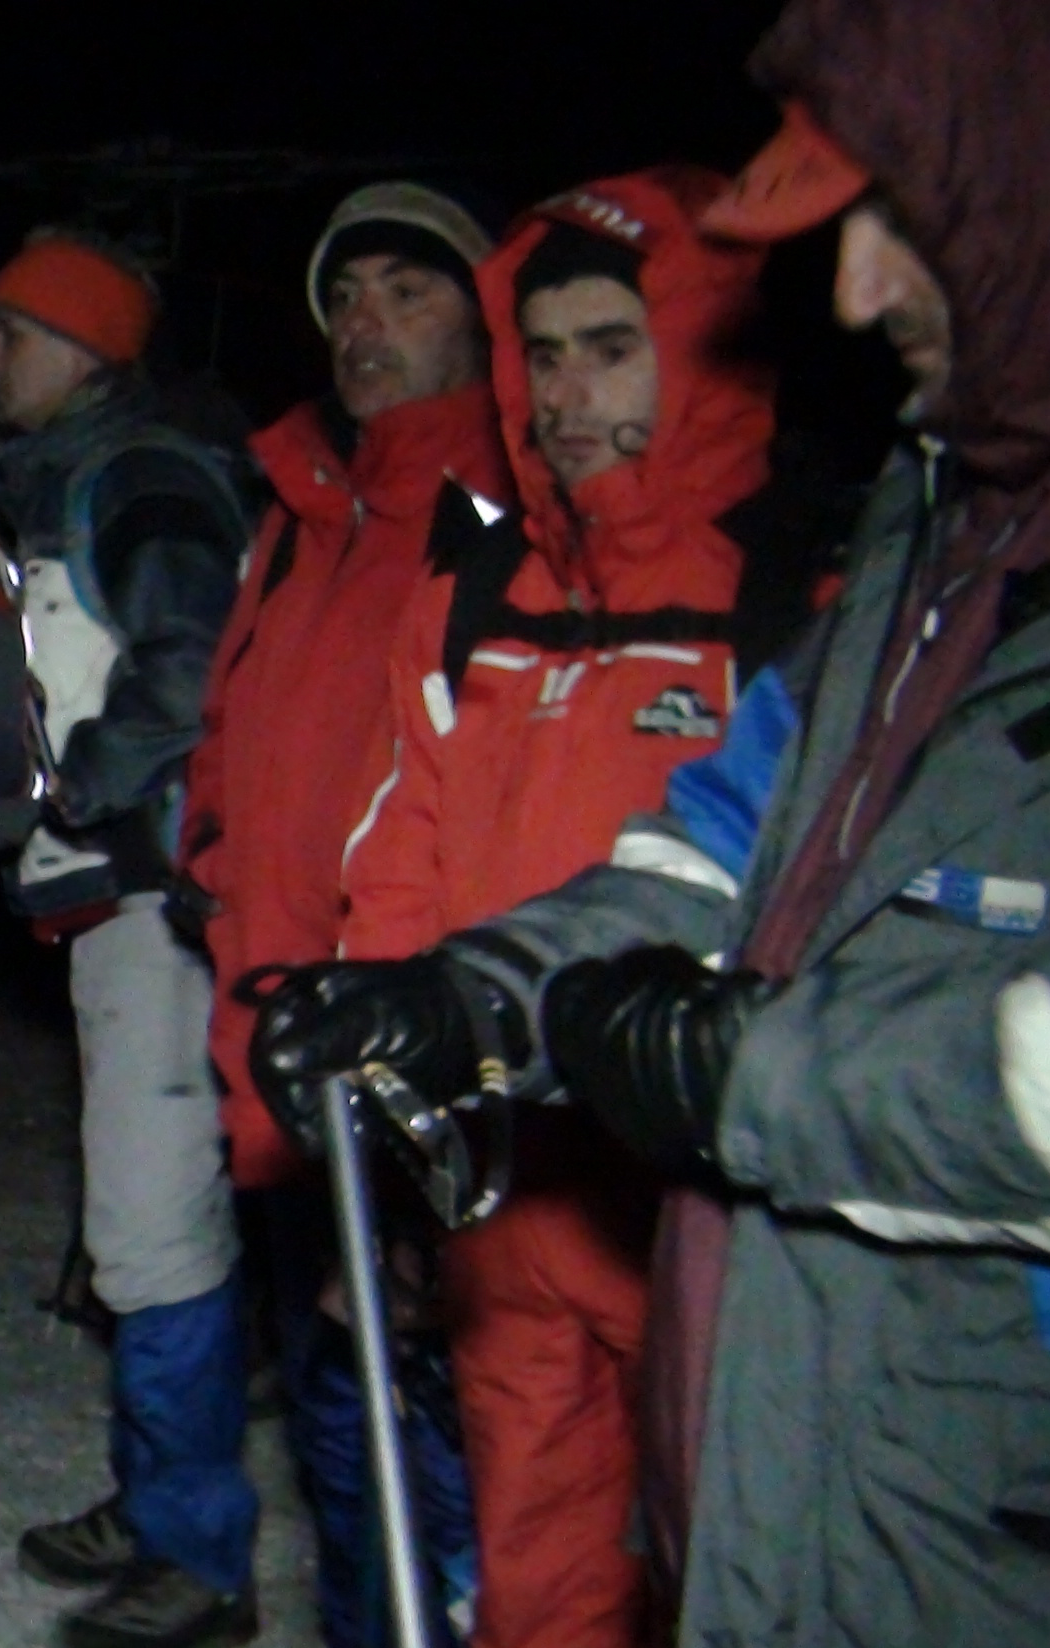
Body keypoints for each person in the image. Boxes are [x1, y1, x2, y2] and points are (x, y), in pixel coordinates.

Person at [252, 0, 1050, 1641]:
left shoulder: (823, 548)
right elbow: (718, 845)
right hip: (798, 1412)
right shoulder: (930, 539)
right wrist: (464, 997)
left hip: (1018, 1481)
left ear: (1041, 174)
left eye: (899, 222)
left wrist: (742, 1072)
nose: (859, 293)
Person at [332, 168, 779, 1648]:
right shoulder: (485, 589)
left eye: (613, 347)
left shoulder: (779, 600)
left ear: (700, 348)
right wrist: (392, 1070)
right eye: (548, 356)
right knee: (533, 1580)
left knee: (728, 1570)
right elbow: (404, 843)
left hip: (688, 1205)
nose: (572, 393)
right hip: (500, 1192)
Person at [176, 183, 506, 1648]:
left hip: (411, 1049)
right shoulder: (308, 507)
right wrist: (210, 854)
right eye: (348, 297)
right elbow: (235, 719)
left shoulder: (496, 516)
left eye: (408, 294)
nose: (366, 326)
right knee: (333, 1416)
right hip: (278, 1034)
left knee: (445, 1438)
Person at [0, 231, 258, 1648]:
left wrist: (89, 781)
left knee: (153, 1230)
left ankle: (199, 1550)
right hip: (109, 897)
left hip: (160, 896)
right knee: (132, 1219)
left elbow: (195, 659)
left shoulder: (140, 479)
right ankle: (158, 1501)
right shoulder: (73, 483)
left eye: (8, 335)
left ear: (81, 349)